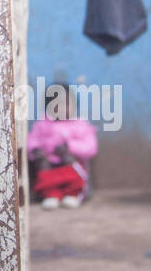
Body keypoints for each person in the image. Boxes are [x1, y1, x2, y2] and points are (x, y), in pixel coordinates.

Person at [26, 82, 98, 210]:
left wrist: (70, 147)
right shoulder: (43, 124)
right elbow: (32, 139)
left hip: (71, 164)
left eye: (67, 103)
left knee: (71, 163)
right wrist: (36, 150)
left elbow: (91, 147)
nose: (63, 107)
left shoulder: (80, 124)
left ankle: (73, 194)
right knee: (43, 166)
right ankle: (51, 195)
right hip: (51, 164)